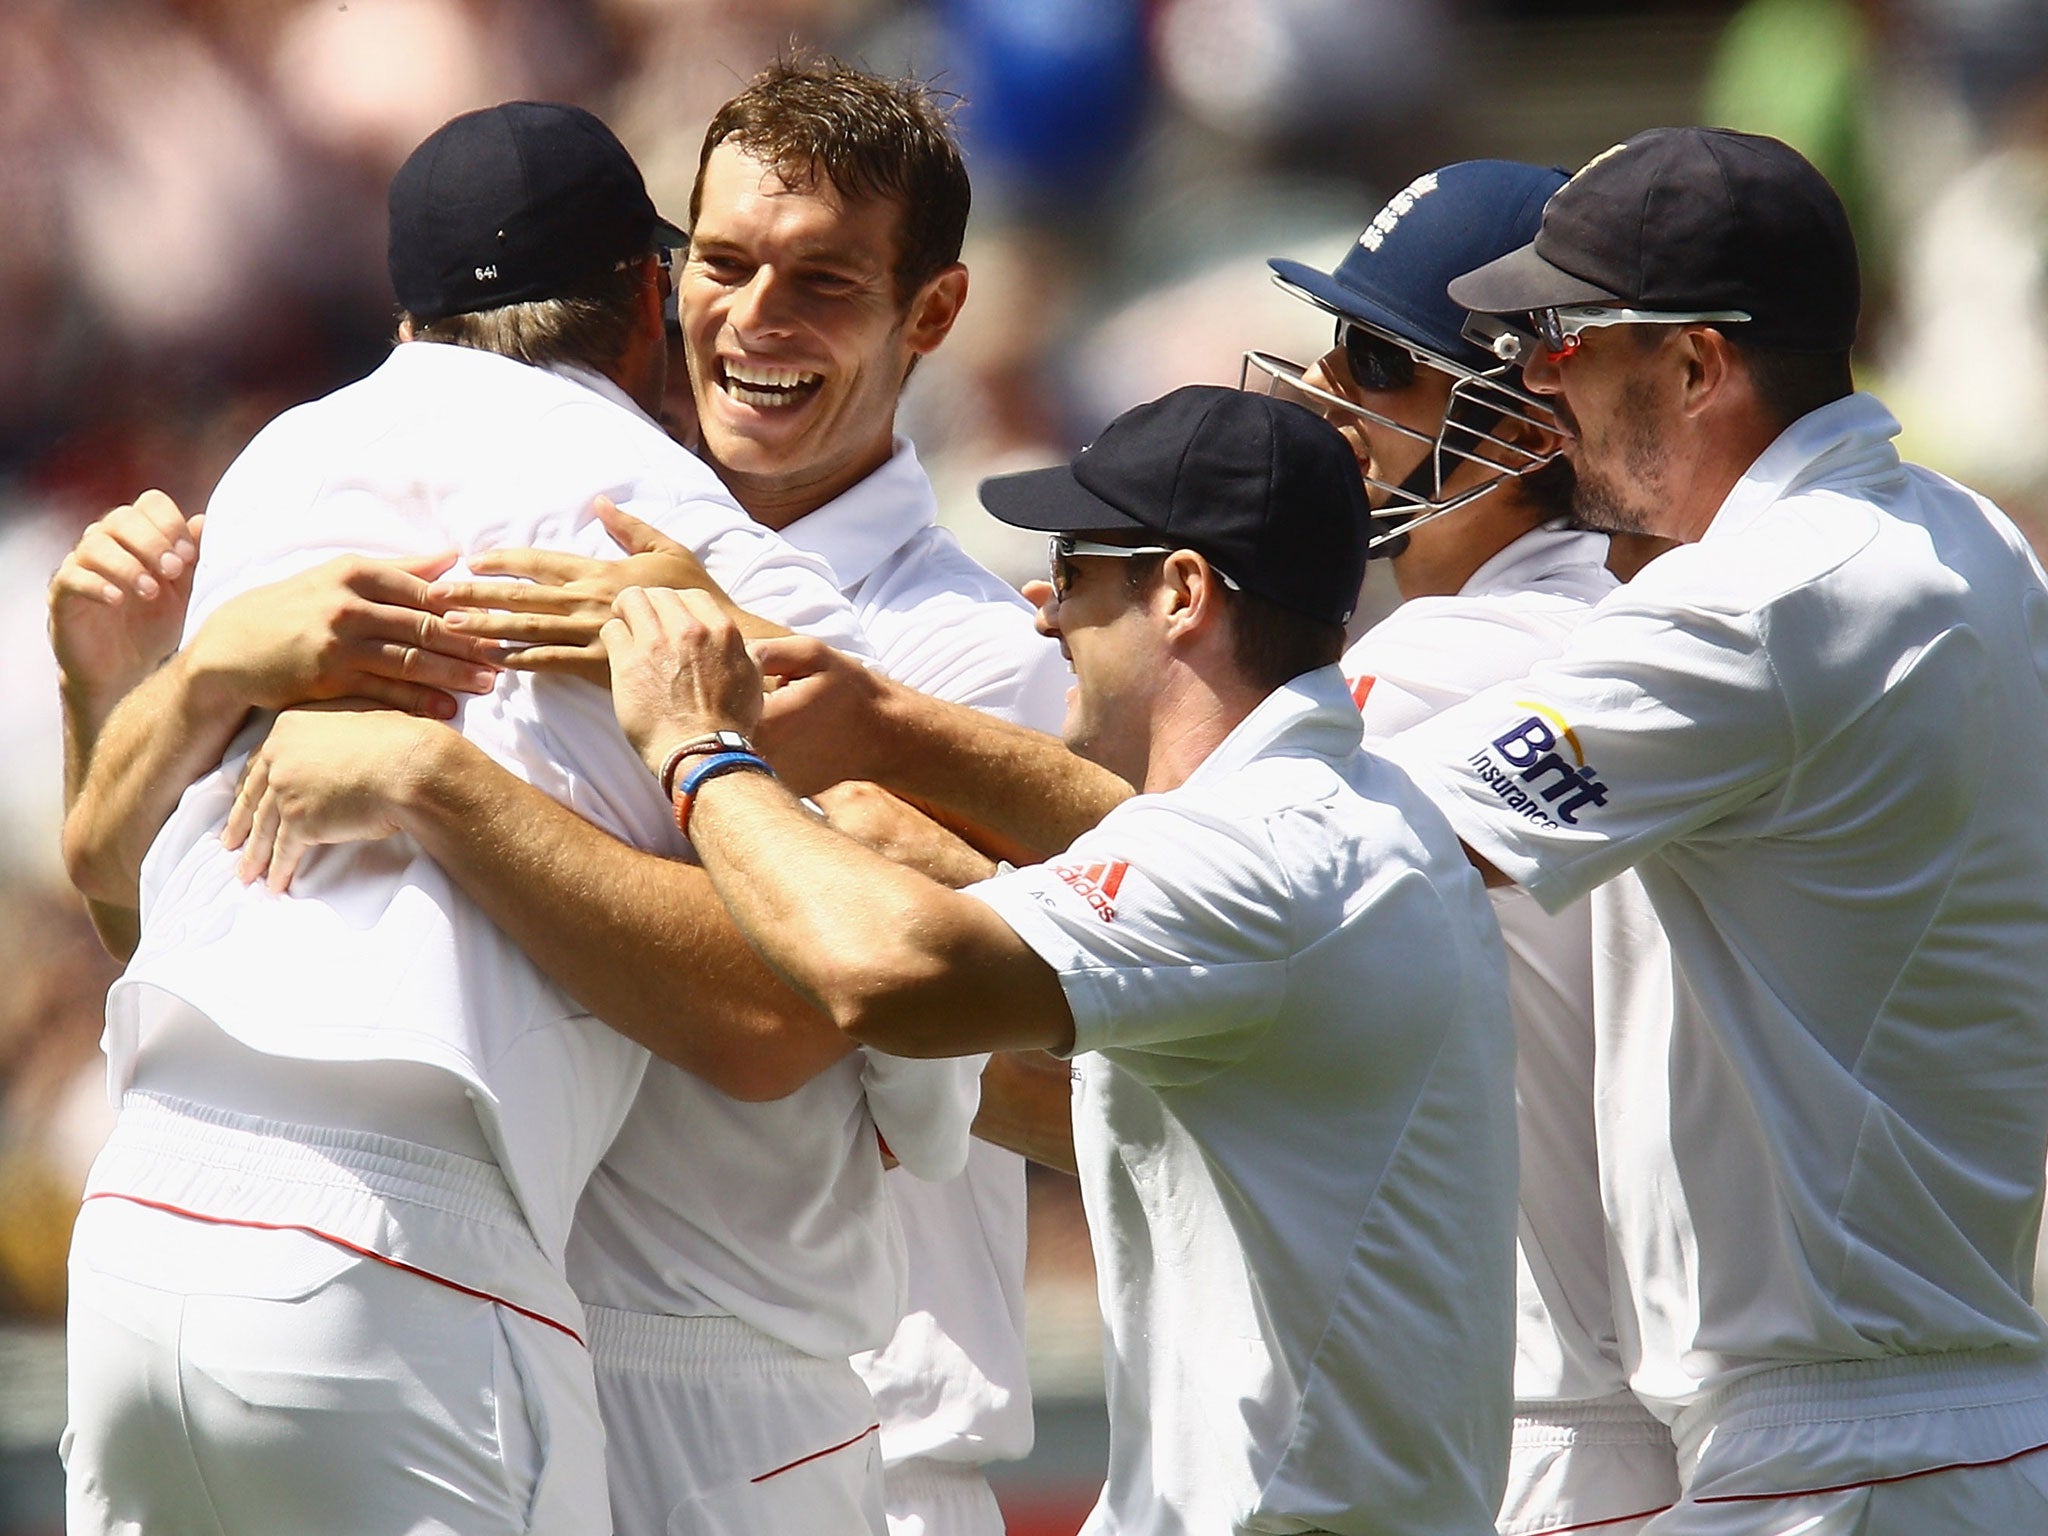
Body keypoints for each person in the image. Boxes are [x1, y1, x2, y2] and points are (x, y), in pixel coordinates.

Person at [60, 59, 1061, 1536]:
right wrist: (153, 680)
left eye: (827, 279)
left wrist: (432, 776)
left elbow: (1045, 1059)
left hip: (828, 1417)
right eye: (727, 264)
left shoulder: (966, 654)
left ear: (933, 314)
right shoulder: (478, 495)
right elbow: (133, 891)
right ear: (660, 289)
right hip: (488, 1301)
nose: (761, 320)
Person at [576, 383, 1522, 1535]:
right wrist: (905, 848)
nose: (1040, 613)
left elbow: (887, 972)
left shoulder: (1273, 839)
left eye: (1074, 569)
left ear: (1179, 593)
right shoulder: (1336, 814)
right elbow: (1090, 1105)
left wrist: (696, 747)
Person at [1378, 126, 2048, 1531]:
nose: (1538, 379)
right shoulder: (1954, 532)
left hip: (1847, 1453)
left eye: (1567, 339)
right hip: (1909, 1422)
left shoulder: (1769, 599)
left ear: (1694, 365)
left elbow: (1364, 856)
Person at [1253, 160, 1681, 1534]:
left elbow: (1191, 895)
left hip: (1561, 1427)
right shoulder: (1600, 628)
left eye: (1379, 357)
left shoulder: (1466, 658)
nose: (1332, 389)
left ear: (1521, 426)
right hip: (1601, 1417)